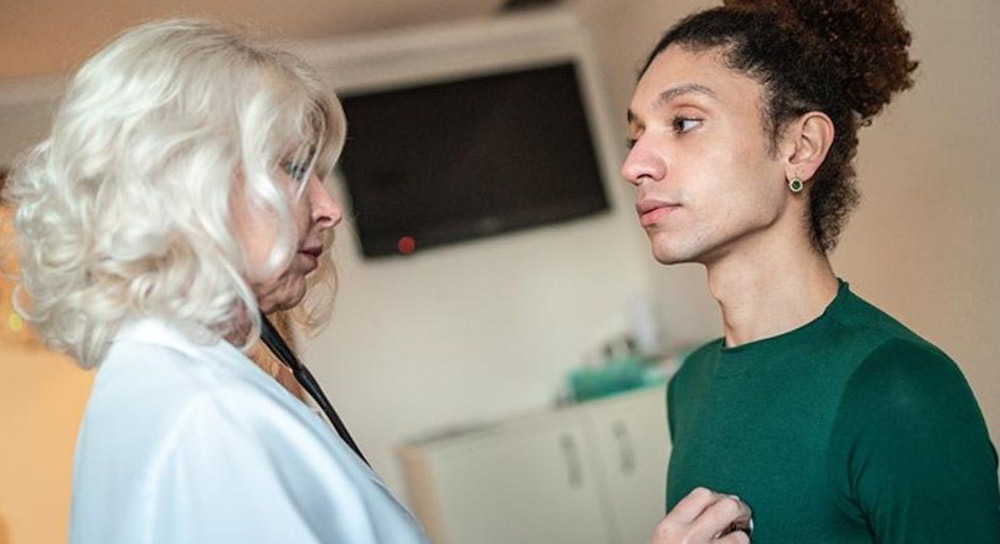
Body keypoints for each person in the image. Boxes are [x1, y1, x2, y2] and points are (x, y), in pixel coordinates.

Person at [4, 19, 430, 544]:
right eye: (295, 170)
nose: (329, 210)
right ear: (183, 188)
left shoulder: (161, 386)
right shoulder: (209, 416)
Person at [620, 1, 1000, 543]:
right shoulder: (689, 388)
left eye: (683, 122)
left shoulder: (900, 390)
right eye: (636, 136)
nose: (634, 165)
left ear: (800, 149)